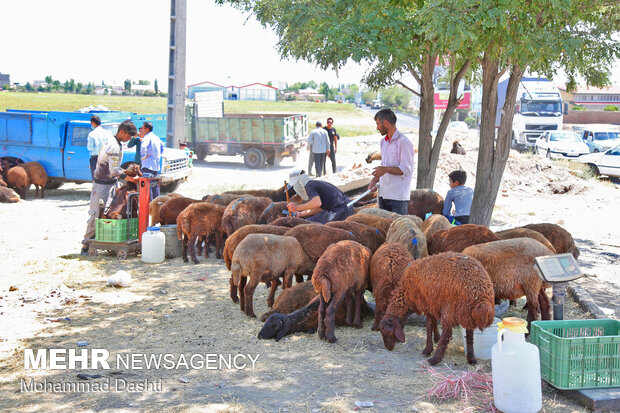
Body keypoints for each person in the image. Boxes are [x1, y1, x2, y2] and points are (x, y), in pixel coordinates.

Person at [81, 120, 139, 255]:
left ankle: (105, 238)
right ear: (121, 132)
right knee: (96, 213)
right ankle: (86, 244)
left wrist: (125, 173)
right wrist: (131, 178)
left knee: (109, 212)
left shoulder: (114, 142)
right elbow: (114, 171)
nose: (129, 139)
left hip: (110, 183)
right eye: (128, 136)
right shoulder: (113, 146)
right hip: (102, 184)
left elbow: (115, 169)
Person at [367, 108, 415, 215]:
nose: (377, 128)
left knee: (397, 229)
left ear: (386, 123)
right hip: (384, 195)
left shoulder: (403, 142)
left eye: (378, 124)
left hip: (398, 198)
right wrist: (375, 179)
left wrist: (385, 169)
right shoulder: (383, 142)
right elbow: (384, 165)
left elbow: (406, 169)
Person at [286, 170, 353, 224]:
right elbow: (319, 208)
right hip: (347, 207)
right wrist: (300, 214)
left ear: (298, 182)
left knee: (308, 226)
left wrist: (297, 207)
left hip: (340, 211)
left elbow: (317, 203)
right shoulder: (315, 183)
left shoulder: (309, 186)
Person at [139, 122, 164, 200]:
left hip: (147, 166)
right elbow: (162, 147)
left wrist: (143, 156)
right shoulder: (156, 137)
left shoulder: (146, 138)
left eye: (142, 128)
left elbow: (143, 147)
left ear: (147, 129)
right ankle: (156, 205)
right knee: (155, 187)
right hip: (155, 167)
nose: (141, 130)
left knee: (147, 188)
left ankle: (149, 207)